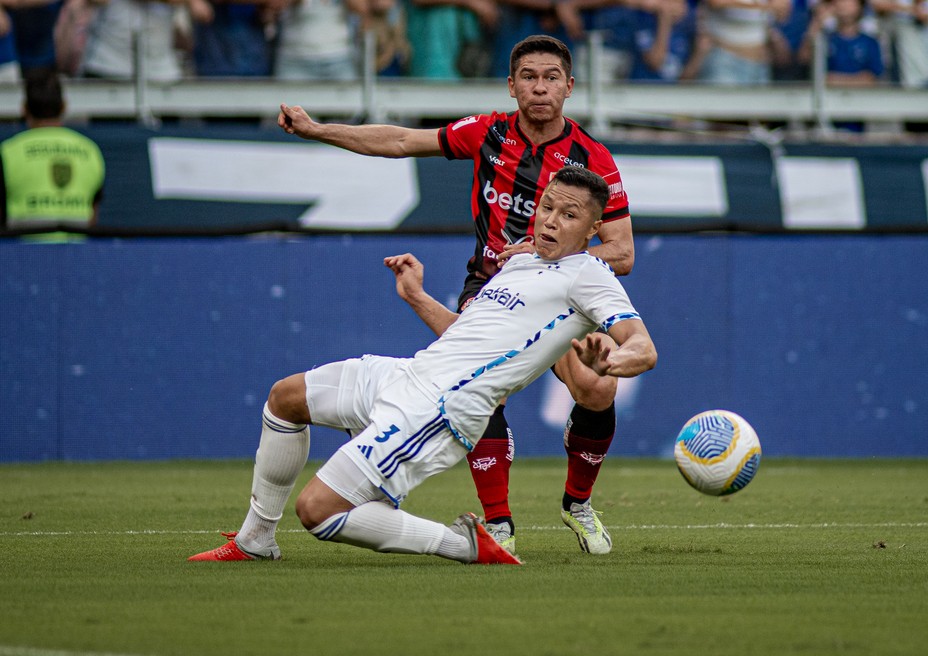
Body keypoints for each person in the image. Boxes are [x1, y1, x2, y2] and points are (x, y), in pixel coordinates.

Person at [187, 166, 658, 566]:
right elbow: (464, 337)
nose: (552, 221)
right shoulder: (520, 263)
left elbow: (643, 346)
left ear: (593, 229)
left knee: (317, 511)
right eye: (548, 207)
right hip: (409, 374)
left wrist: (613, 359)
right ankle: (256, 540)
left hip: (441, 408)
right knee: (285, 398)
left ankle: (465, 545)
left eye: (569, 215)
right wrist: (416, 295)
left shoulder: (590, 275)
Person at [276, 34, 634, 556]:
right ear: (511, 86)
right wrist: (317, 130)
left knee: (598, 391)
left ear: (569, 87)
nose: (540, 88)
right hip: (488, 287)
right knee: (480, 384)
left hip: (560, 294)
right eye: (529, 77)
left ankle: (577, 503)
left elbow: (621, 253)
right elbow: (400, 141)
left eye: (551, 77)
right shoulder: (486, 132)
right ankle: (499, 522)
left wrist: (539, 254)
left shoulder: (591, 160)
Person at [0, 69, 105, 232]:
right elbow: (92, 216)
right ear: (64, 107)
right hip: (77, 255)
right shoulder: (90, 150)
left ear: (24, 108)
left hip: (21, 254)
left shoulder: (8, 152)